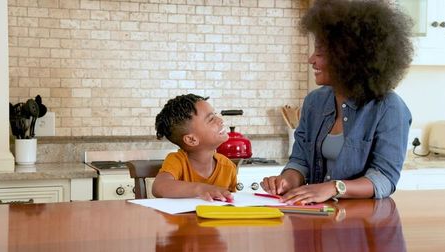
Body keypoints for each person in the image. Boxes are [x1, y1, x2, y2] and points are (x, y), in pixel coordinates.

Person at [261, 0, 413, 204]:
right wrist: (287, 180)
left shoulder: (389, 108)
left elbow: (384, 179)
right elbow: (300, 160)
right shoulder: (314, 102)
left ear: (348, 58)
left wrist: (333, 188)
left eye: (320, 53)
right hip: (317, 218)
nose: (311, 60)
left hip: (362, 223)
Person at [152, 94, 237, 202]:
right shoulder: (177, 161)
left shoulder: (228, 167)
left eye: (215, 114)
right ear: (192, 140)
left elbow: (232, 203)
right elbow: (159, 187)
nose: (220, 120)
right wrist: (201, 189)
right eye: (211, 119)